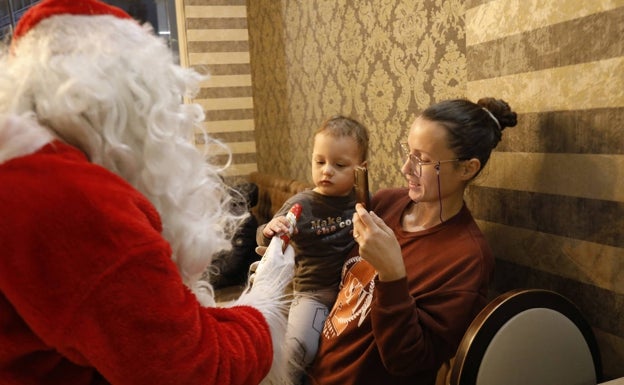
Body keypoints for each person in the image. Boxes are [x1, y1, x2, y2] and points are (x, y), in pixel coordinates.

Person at [0, 1, 294, 384]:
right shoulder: (79, 203)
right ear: (134, 103)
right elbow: (194, 370)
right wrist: (265, 299)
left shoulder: (24, 173)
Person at [307, 98, 518, 385]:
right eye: (408, 152)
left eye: (423, 160)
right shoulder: (386, 203)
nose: (406, 168)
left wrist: (392, 274)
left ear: (467, 169)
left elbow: (408, 361)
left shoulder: (467, 259)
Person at [257, 115, 369, 384]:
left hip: (354, 294)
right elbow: (264, 241)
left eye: (339, 164)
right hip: (314, 294)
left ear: (359, 170)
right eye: (319, 162)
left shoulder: (363, 201)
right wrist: (270, 229)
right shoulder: (302, 204)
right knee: (299, 349)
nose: (326, 170)